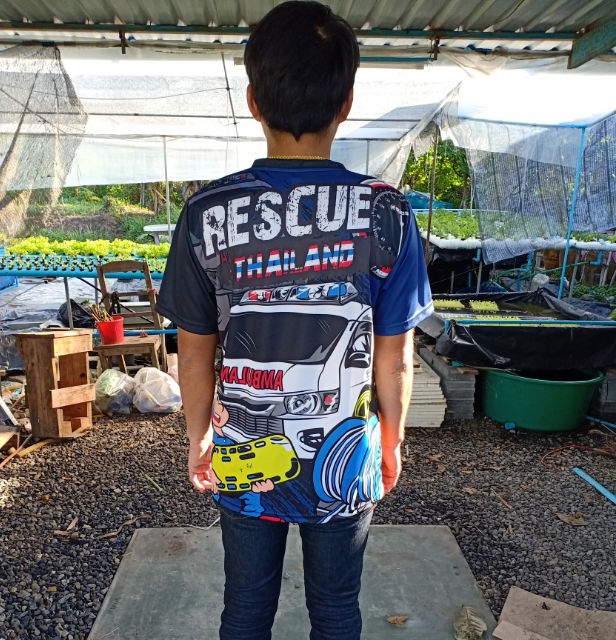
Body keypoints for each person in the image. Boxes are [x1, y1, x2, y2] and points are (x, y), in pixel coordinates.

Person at [156, 2, 433, 638]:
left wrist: (197, 437)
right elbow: (396, 355)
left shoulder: (206, 212)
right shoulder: (386, 212)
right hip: (347, 459)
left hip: (239, 451)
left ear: (253, 101)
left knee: (245, 608)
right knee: (336, 610)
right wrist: (391, 441)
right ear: (346, 102)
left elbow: (194, 352)